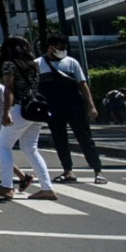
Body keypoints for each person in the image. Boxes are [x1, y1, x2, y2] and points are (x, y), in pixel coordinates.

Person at [0, 35, 56, 200]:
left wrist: (6, 112)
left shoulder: (9, 65)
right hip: (35, 110)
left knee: (2, 146)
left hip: (20, 109)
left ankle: (6, 186)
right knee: (31, 149)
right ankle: (47, 188)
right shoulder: (34, 65)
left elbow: (9, 89)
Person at [36, 34, 106, 185]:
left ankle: (97, 170)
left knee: (85, 138)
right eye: (59, 48)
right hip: (53, 108)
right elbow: (34, 88)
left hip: (75, 106)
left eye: (64, 48)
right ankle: (68, 170)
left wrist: (91, 105)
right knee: (60, 140)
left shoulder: (71, 62)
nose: (62, 51)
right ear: (51, 47)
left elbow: (82, 84)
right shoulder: (38, 64)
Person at [0, 60, 32, 191]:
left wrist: (6, 114)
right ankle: (21, 177)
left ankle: (15, 180)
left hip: (0, 126)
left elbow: (8, 103)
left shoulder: (1, 89)